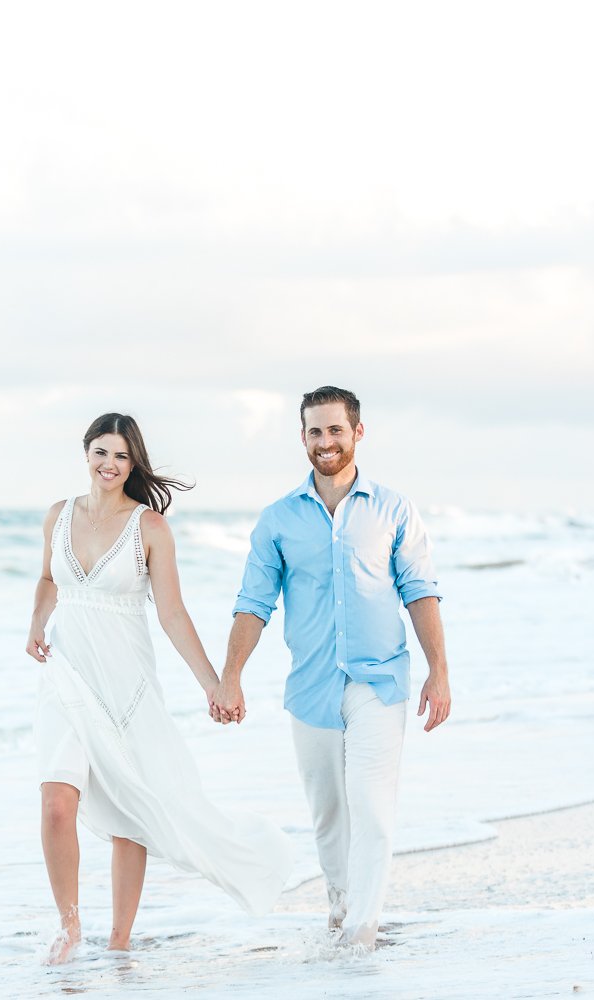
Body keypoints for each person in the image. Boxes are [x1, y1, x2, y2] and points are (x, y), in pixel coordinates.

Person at [26, 413, 293, 965]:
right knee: (56, 803)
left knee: (132, 808)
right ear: (86, 453)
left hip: (127, 682)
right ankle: (70, 929)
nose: (110, 464)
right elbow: (50, 578)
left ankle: (119, 942)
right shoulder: (58, 515)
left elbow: (171, 613)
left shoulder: (150, 528)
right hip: (68, 674)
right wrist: (35, 621)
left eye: (121, 456)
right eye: (101, 452)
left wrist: (216, 684)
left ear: (133, 463)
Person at [210, 385, 450, 953]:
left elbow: (420, 592)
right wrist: (231, 675)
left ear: (357, 433)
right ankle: (342, 907)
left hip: (380, 680)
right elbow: (253, 603)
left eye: (335, 430)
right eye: (315, 431)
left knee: (372, 806)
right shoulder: (277, 520)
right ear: (302, 438)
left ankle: (363, 929)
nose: (325, 442)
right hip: (312, 685)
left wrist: (439, 671)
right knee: (328, 816)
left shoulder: (393, 509)